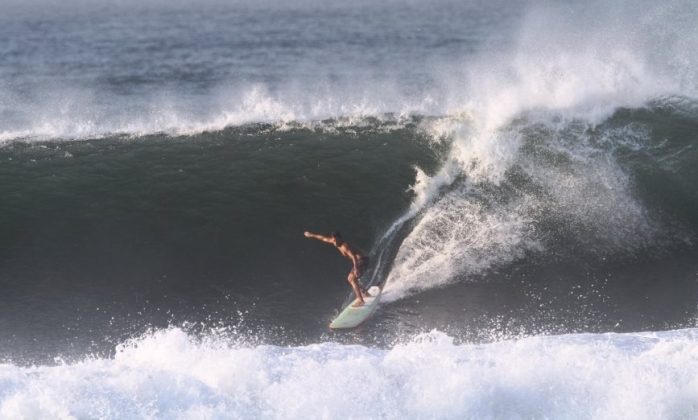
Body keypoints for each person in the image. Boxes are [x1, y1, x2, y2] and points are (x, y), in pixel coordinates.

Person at [304, 231, 371, 306]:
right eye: (333, 240)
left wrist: (356, 268)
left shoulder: (345, 246)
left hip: (362, 260)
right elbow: (322, 238)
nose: (335, 242)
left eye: (336, 240)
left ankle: (360, 300)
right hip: (360, 261)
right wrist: (311, 235)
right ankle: (365, 293)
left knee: (352, 278)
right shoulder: (334, 242)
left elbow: (353, 256)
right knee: (350, 279)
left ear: (340, 239)